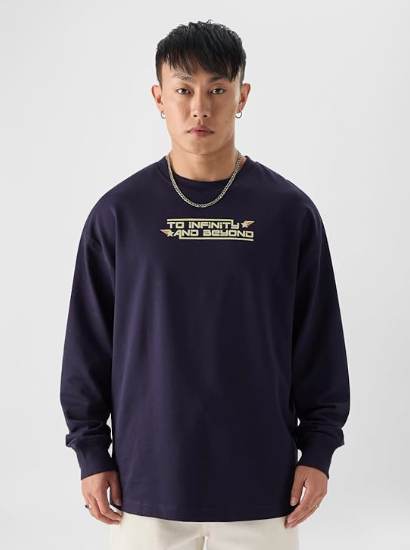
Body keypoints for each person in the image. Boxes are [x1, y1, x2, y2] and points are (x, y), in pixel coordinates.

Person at [60, 19, 350, 550]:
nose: (200, 108)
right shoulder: (120, 214)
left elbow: (318, 342)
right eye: (183, 90)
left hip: (264, 489)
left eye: (217, 89)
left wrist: (318, 450)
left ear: (243, 95)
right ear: (159, 97)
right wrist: (91, 453)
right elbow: (88, 344)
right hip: (146, 487)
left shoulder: (288, 213)